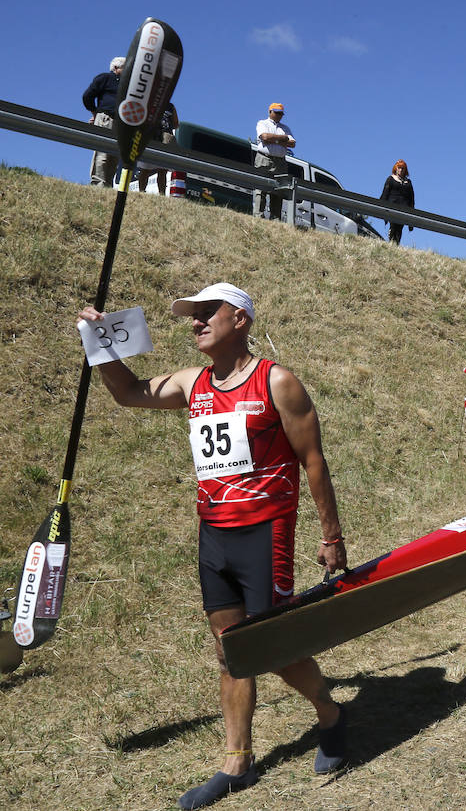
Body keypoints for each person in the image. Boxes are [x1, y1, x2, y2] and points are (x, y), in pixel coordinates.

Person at [77, 283, 348, 809]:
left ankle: (331, 713)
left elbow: (313, 460)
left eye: (208, 313)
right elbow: (129, 392)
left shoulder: (277, 382)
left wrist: (331, 536)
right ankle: (237, 761)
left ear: (240, 319)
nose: (196, 322)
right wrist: (100, 342)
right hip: (213, 534)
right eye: (192, 316)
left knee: (270, 646)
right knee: (229, 650)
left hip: (265, 531)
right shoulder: (193, 382)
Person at [82, 55, 124, 187]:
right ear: (116, 68)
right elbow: (87, 96)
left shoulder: (127, 84)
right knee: (102, 153)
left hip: (120, 122)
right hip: (106, 117)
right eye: (125, 67)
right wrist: (95, 112)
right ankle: (98, 184)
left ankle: (108, 185)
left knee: (114, 155)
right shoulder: (105, 78)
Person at [252, 104, 295, 220]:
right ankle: (258, 215)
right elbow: (265, 137)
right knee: (261, 187)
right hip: (264, 158)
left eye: (281, 113)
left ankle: (275, 218)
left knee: (278, 190)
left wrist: (273, 139)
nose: (279, 115)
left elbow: (292, 143)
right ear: (270, 112)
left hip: (280, 162)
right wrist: (282, 139)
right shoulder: (262, 123)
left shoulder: (285, 128)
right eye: (276, 112)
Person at [137, 101, 179, 194]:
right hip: (150, 135)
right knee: (146, 167)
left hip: (165, 136)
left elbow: (176, 124)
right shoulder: (149, 101)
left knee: (162, 168)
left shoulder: (170, 106)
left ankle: (161, 193)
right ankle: (142, 191)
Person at [378, 160, 415, 245]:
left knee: (399, 229)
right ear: (396, 168)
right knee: (393, 226)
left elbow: (411, 199)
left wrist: (411, 219)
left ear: (405, 170)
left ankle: (396, 245)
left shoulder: (408, 183)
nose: (401, 170)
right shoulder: (390, 179)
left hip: (404, 209)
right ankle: (391, 242)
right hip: (392, 207)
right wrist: (381, 208)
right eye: (399, 168)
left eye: (403, 168)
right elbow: (385, 194)